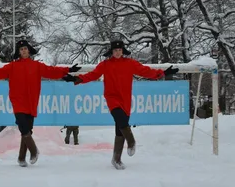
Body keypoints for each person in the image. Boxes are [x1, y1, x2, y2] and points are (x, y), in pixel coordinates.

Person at [62, 40, 178, 170]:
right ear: (111, 52)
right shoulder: (105, 64)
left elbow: (145, 71)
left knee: (120, 128)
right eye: (115, 50)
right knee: (120, 119)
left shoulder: (130, 63)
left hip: (125, 99)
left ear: (123, 51)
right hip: (112, 97)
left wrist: (162, 73)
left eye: (119, 50)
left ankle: (116, 159)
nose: (117, 52)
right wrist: (76, 78)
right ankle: (131, 141)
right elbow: (93, 75)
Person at [0, 40, 81, 167]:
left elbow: (51, 71)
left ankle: (21, 158)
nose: (23, 51)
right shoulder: (12, 66)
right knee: (23, 126)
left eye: (25, 49)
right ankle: (34, 151)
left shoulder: (37, 66)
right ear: (19, 52)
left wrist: (69, 69)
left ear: (29, 51)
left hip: (31, 101)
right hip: (18, 100)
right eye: (21, 49)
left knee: (27, 129)